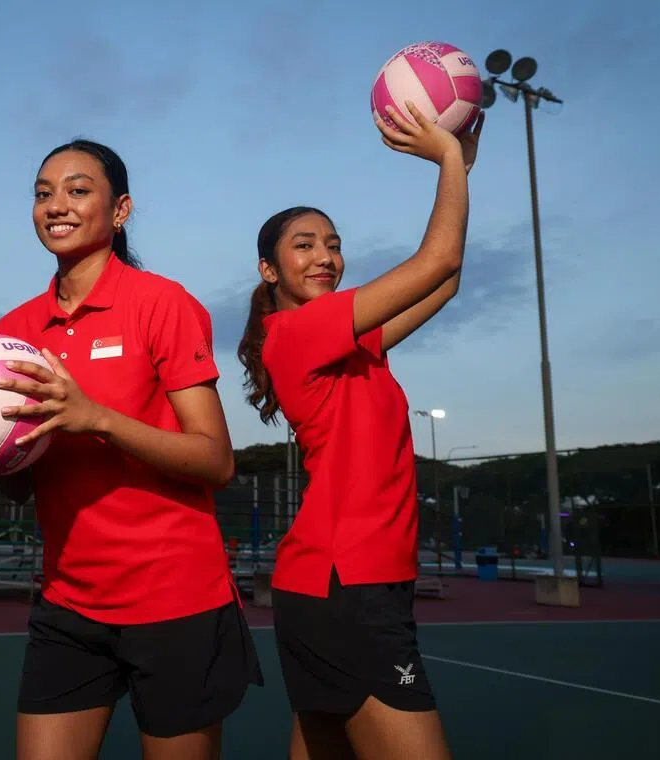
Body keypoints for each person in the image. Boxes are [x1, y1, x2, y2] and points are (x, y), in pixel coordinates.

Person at [0, 138, 263, 760]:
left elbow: (215, 460)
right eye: (43, 193)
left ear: (121, 211)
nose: (56, 204)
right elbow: (21, 480)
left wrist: (97, 418)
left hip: (175, 600)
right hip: (69, 601)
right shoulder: (13, 332)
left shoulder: (161, 304)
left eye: (78, 190)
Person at [235, 102, 483, 760]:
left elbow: (447, 282)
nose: (326, 256)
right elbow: (436, 259)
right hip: (349, 587)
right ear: (269, 271)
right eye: (305, 245)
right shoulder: (302, 331)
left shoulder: (350, 344)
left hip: (332, 587)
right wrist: (448, 158)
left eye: (334, 243)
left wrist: (461, 171)